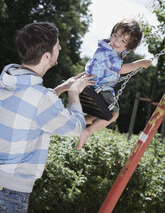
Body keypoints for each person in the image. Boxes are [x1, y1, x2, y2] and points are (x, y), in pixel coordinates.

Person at [0, 22, 95, 213]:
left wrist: (60, 88)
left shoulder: (7, 80)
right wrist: (74, 93)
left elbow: (30, 107)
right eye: (57, 46)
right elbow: (75, 127)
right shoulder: (41, 99)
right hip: (10, 192)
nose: (60, 48)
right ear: (46, 56)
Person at [77, 18, 152, 150]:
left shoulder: (105, 48)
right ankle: (87, 132)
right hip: (97, 88)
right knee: (113, 114)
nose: (116, 41)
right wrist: (140, 63)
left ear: (129, 46)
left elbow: (124, 51)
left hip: (90, 86)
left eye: (123, 40)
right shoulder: (109, 53)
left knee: (96, 115)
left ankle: (77, 124)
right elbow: (122, 69)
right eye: (115, 35)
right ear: (111, 34)